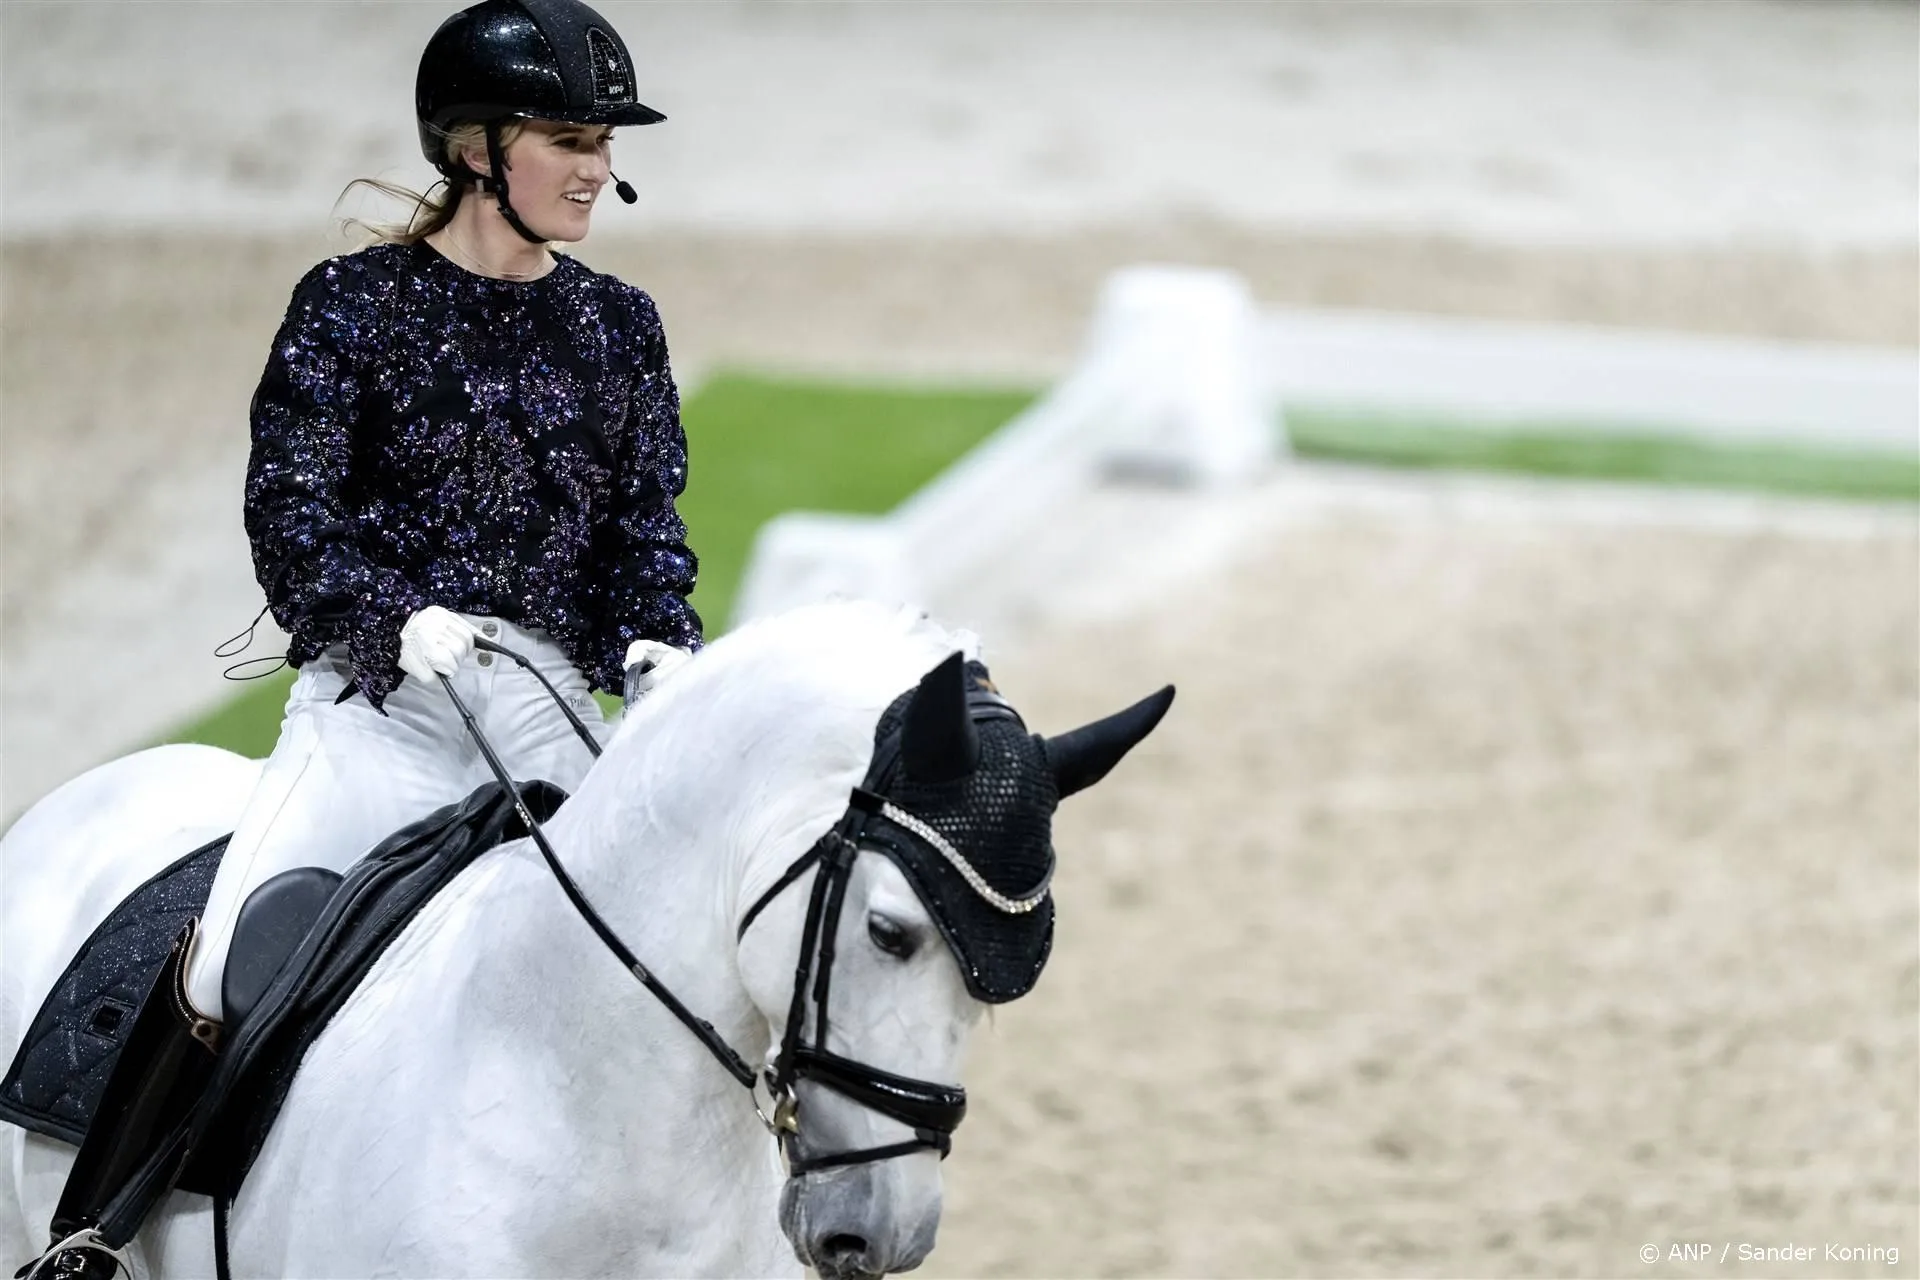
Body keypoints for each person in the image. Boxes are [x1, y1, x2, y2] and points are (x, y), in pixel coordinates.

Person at [29, 2, 697, 1274]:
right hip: (380, 714)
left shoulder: (622, 327)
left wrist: (657, 641)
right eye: (567, 136)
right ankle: (96, 1231)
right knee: (230, 955)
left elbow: (642, 532)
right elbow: (291, 514)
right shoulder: (353, 306)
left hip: (557, 726)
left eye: (603, 138)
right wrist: (401, 621)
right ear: (474, 148)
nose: (597, 166)